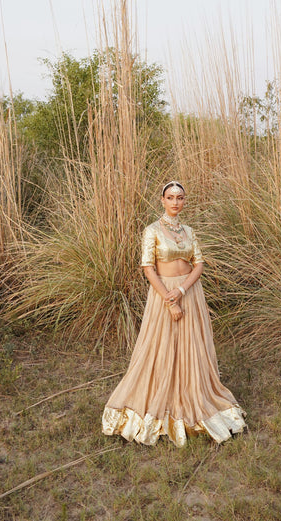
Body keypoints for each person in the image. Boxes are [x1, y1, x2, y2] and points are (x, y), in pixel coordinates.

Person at [102, 181, 246, 447]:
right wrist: (170, 301)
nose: (175, 202)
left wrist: (181, 290)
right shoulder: (152, 231)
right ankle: (161, 398)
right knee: (162, 346)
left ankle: (193, 393)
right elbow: (148, 268)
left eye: (180, 198)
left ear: (184, 201)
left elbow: (199, 263)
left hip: (189, 292)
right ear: (162, 200)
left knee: (191, 345)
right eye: (170, 197)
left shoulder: (189, 231)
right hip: (163, 295)